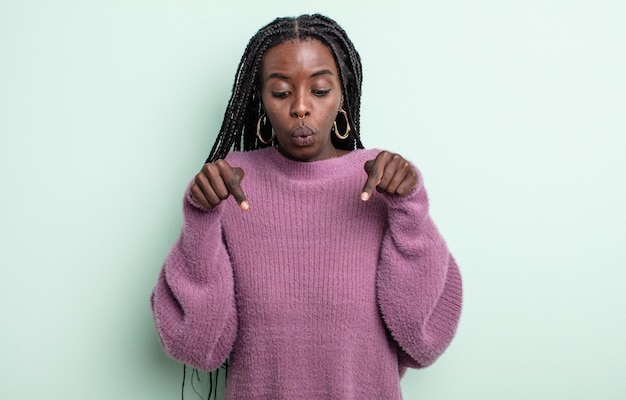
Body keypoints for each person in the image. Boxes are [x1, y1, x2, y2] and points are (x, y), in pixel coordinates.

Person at [151, 14, 462, 400]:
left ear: (342, 93)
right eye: (281, 92)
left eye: (319, 90)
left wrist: (409, 208)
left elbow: (424, 338)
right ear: (261, 99)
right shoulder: (230, 186)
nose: (301, 107)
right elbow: (196, 346)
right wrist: (201, 216)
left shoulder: (383, 181)